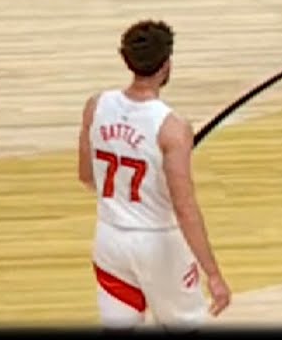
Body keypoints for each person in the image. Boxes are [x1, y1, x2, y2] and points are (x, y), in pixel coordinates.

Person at [79, 20, 230, 330]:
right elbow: (185, 208)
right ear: (167, 65)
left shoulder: (96, 106)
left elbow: (86, 175)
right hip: (160, 245)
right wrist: (212, 273)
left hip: (109, 239)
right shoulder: (172, 127)